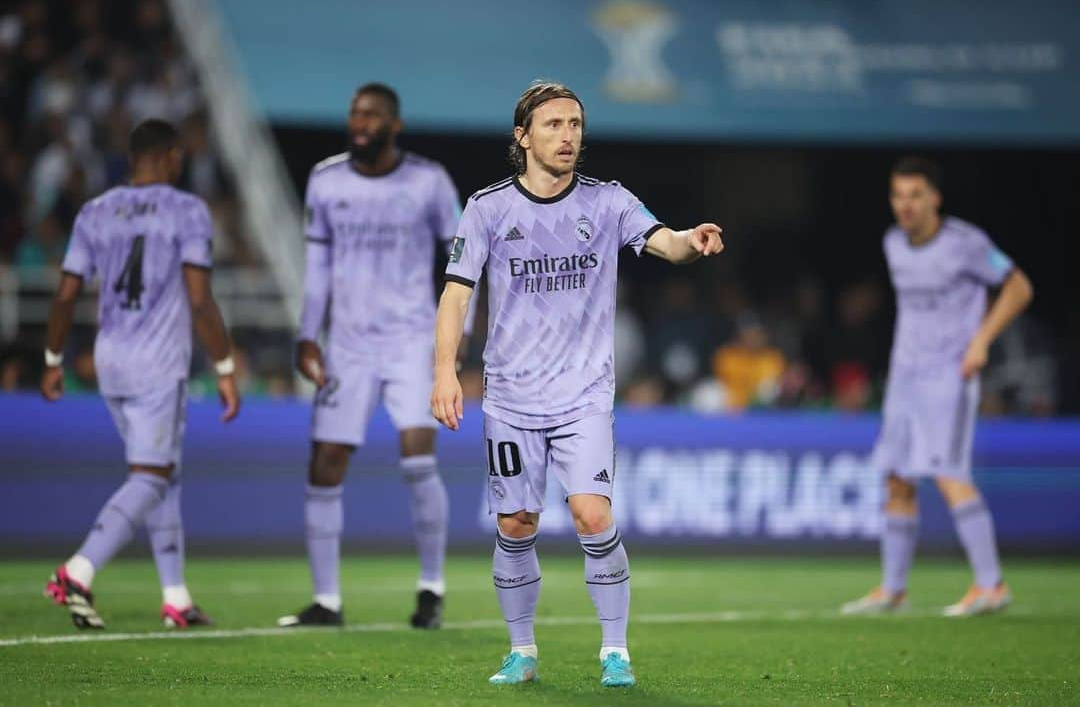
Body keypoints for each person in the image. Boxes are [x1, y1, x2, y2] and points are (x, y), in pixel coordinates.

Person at [430, 81, 724, 687]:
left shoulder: (609, 202)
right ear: (523, 136)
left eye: (575, 124)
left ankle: (615, 650)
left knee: (592, 515)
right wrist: (443, 370)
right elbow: (457, 292)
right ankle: (522, 651)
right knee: (516, 524)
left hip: (584, 393)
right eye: (554, 125)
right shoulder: (487, 209)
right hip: (510, 395)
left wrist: (690, 243)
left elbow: (663, 241)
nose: (568, 136)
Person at [279, 83, 468, 630]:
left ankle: (431, 589)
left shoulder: (429, 181)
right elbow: (316, 269)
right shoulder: (326, 179)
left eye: (371, 115)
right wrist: (307, 334)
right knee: (325, 463)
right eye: (354, 113)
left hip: (412, 339)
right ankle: (326, 601)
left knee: (417, 457)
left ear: (394, 125)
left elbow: (462, 258)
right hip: (348, 344)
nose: (358, 122)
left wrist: (457, 342)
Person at [41, 118, 240, 630]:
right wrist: (223, 365)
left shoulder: (95, 211)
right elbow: (199, 299)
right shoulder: (187, 211)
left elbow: (65, 294)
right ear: (172, 155)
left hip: (110, 361)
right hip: (157, 363)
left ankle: (176, 597)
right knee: (150, 478)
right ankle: (78, 571)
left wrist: (53, 359)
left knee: (161, 474)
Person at [842, 156, 1033, 617]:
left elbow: (1019, 287)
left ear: (934, 198)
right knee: (898, 476)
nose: (905, 205)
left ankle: (991, 585)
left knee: (948, 472)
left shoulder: (966, 243)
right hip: (905, 377)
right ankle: (893, 590)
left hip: (950, 374)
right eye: (898, 196)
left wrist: (981, 342)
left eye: (915, 195)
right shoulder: (894, 244)